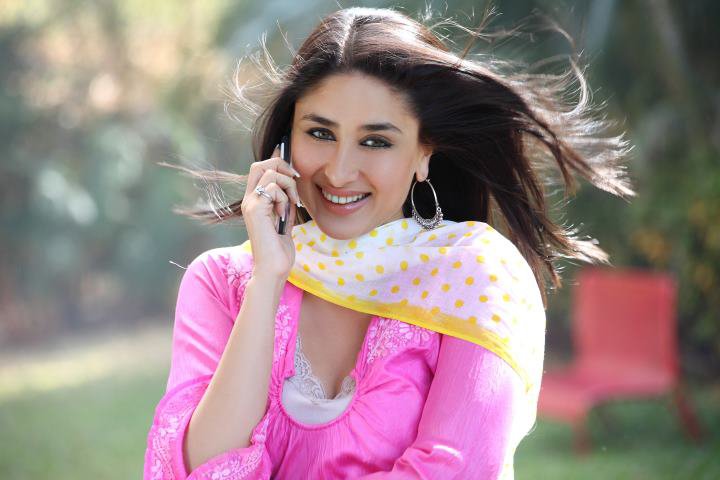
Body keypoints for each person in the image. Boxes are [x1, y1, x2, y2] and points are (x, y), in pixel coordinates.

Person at [143, 6, 634, 479]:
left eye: (376, 141)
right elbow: (193, 471)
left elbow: (458, 470)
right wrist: (267, 281)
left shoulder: (473, 276)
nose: (339, 171)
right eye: (320, 133)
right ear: (286, 143)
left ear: (423, 154)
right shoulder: (223, 282)